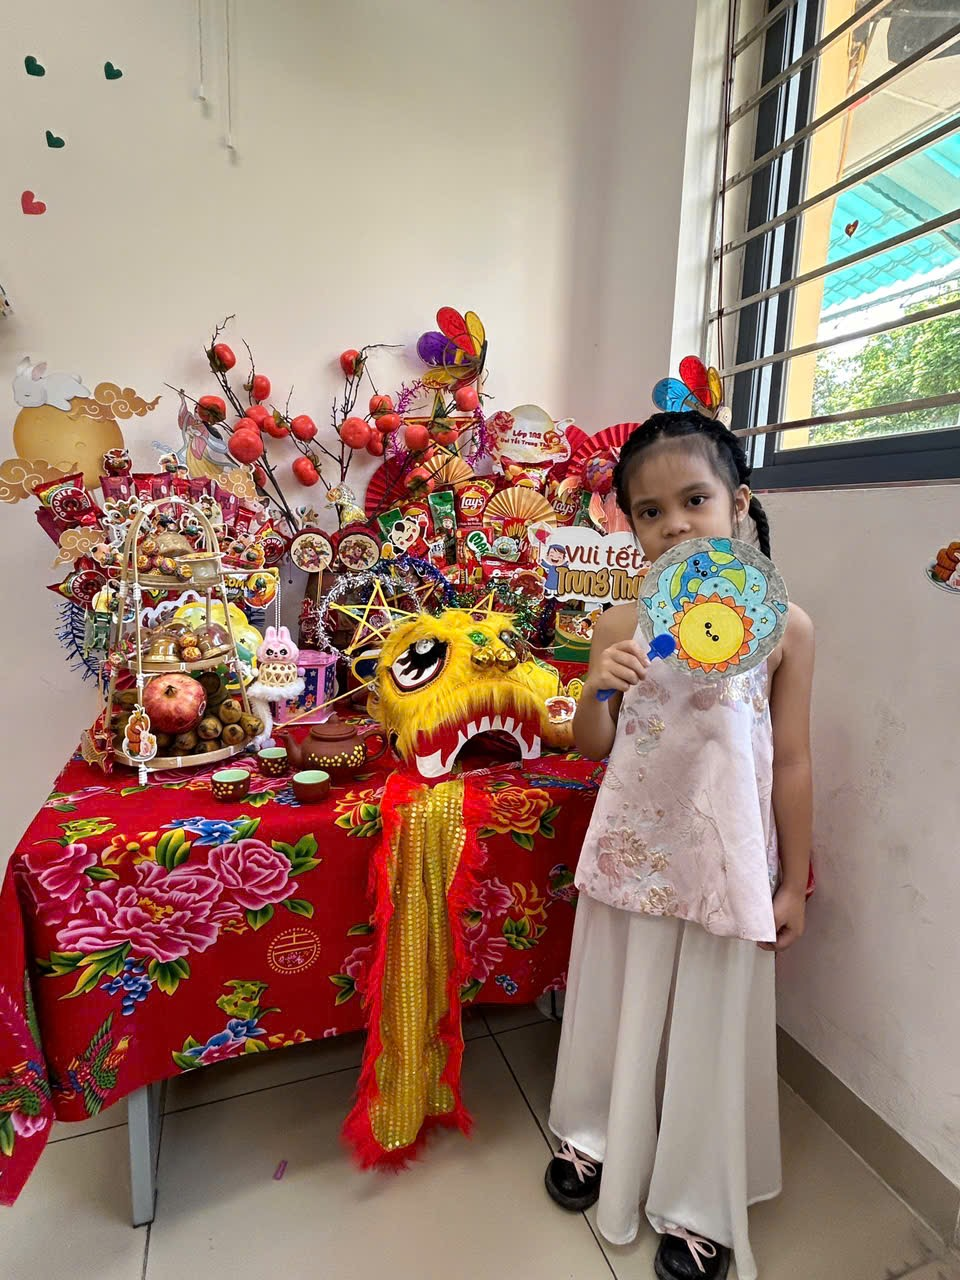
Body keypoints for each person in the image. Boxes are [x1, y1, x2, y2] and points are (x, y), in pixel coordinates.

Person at [544, 411, 814, 1280]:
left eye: (694, 500)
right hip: (631, 852)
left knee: (707, 1020)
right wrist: (596, 687)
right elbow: (592, 746)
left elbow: (796, 760)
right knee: (612, 1005)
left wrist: (792, 883)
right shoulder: (621, 620)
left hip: (723, 860)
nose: (674, 525)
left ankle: (699, 1199)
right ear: (628, 525)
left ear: (736, 504)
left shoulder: (785, 629)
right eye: (649, 511)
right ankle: (592, 1134)